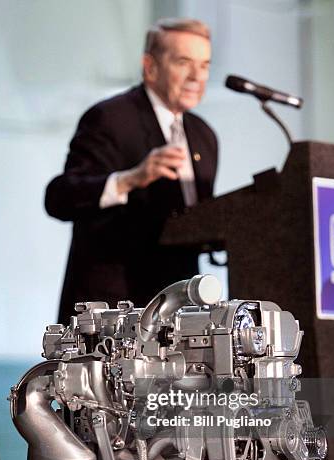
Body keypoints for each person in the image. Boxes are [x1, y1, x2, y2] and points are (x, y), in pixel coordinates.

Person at [45, 18, 218, 324]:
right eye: (184, 62)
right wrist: (131, 179)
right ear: (150, 66)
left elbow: (193, 221)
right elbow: (60, 197)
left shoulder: (204, 135)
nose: (197, 76)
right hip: (112, 310)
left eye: (204, 65)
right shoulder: (110, 118)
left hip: (177, 310)